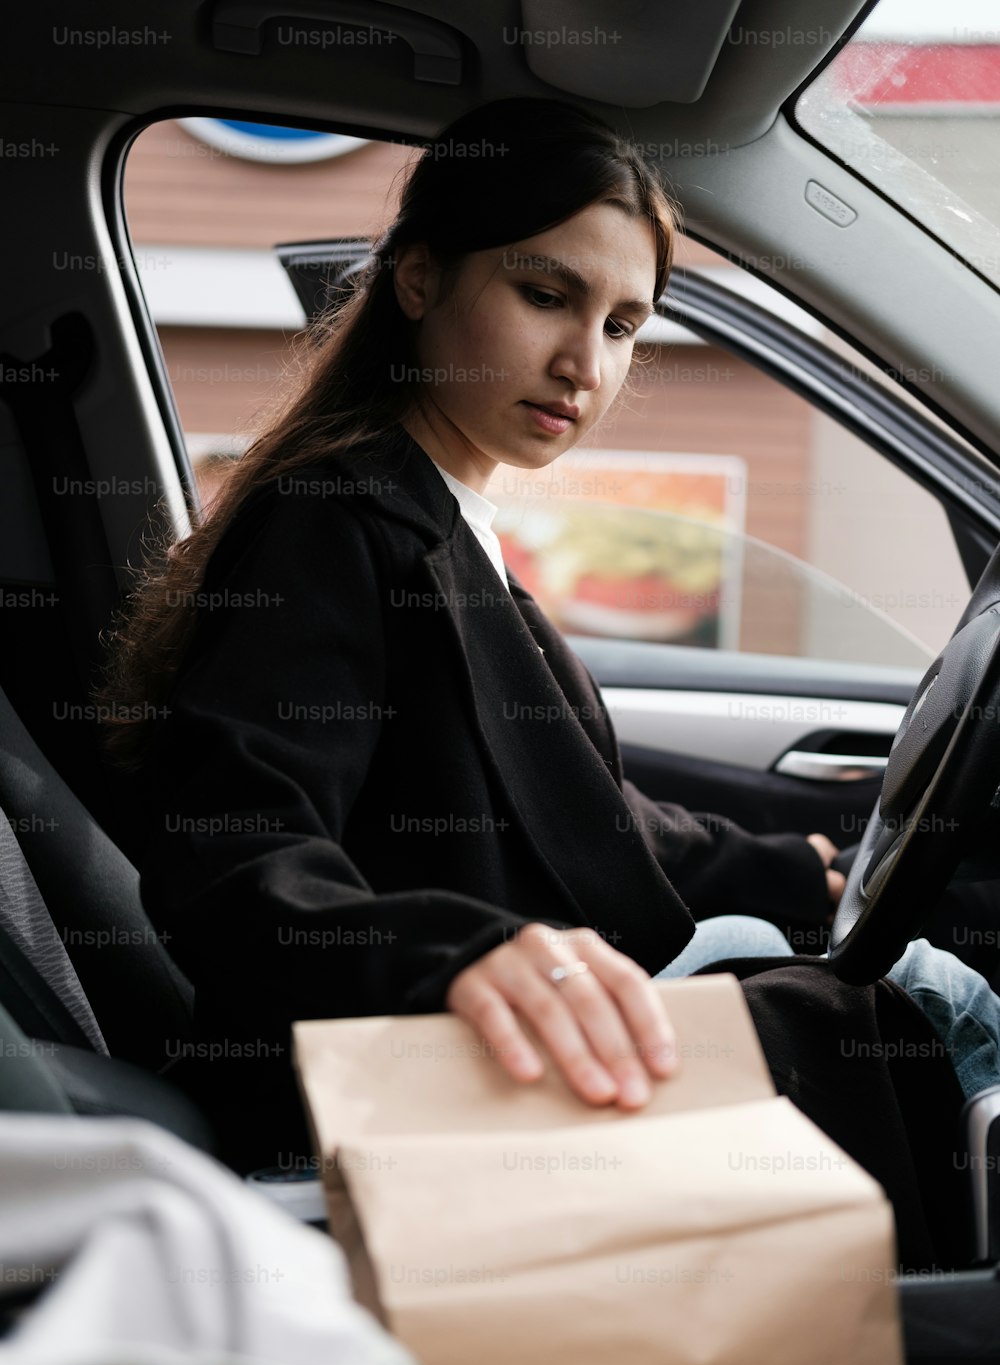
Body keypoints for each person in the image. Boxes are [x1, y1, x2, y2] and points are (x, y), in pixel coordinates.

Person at [95, 97, 995, 1267]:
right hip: (390, 1088)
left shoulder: (437, 519)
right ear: (417, 280)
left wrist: (800, 863)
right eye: (545, 296)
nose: (587, 364)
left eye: (625, 324)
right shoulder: (335, 524)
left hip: (492, 1041)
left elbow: (571, 811)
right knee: (879, 1020)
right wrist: (459, 956)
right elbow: (232, 847)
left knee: (893, 999)